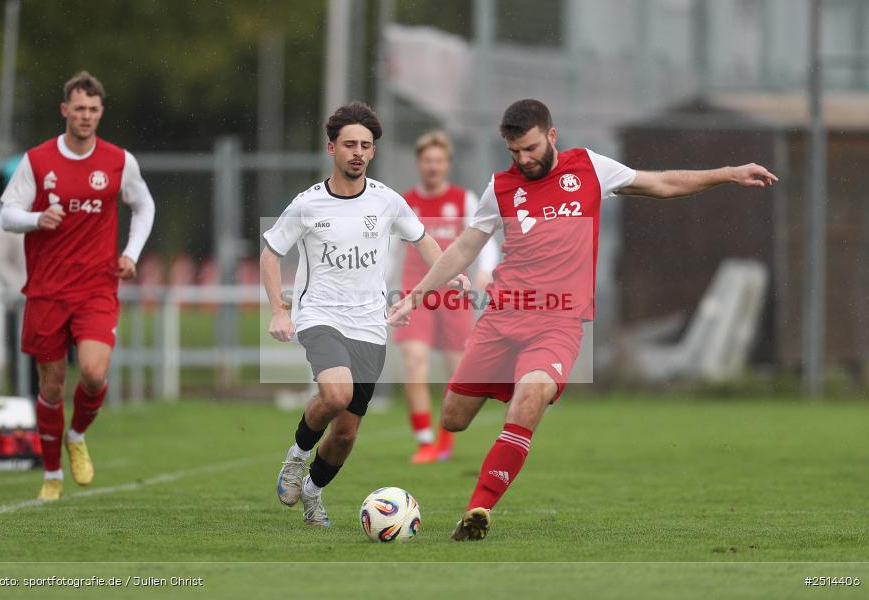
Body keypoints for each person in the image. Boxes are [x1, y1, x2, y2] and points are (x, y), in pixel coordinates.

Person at [388, 98, 777, 541]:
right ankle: (502, 405)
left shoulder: (589, 169)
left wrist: (727, 173)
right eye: (514, 151)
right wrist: (416, 296)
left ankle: (477, 509)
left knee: (530, 398)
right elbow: (463, 248)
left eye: (531, 148)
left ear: (551, 135)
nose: (524, 159)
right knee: (454, 419)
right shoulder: (499, 188)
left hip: (557, 323)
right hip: (501, 319)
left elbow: (663, 183)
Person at [261, 102, 469, 527]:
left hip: (370, 326)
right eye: (349, 144)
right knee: (335, 395)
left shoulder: (387, 201)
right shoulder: (308, 204)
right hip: (319, 316)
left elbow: (424, 239)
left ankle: (314, 493)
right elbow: (270, 253)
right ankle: (295, 459)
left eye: (365, 145)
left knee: (346, 433)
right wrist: (279, 311)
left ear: (373, 152)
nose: (357, 152)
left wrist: (454, 273)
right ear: (331, 148)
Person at [0, 71, 155, 501]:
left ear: (100, 113)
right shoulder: (38, 161)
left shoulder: (118, 161)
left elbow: (144, 205)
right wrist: (36, 219)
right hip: (46, 290)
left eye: (93, 109)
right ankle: (52, 475)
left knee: (92, 371)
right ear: (65, 110)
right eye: (78, 108)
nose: (85, 116)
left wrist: (132, 254)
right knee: (50, 387)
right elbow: (6, 214)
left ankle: (77, 435)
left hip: (96, 288)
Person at [395, 131, 497, 464]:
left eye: (438, 161)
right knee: (415, 362)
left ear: (448, 164)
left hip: (454, 292)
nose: (433, 166)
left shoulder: (464, 200)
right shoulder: (405, 203)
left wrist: (486, 269)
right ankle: (424, 441)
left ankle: (444, 442)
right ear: (419, 164)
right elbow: (389, 251)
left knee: (456, 372)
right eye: (427, 161)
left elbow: (485, 237)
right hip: (416, 289)